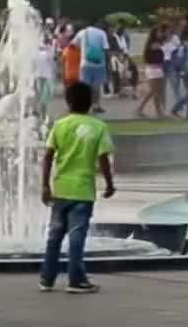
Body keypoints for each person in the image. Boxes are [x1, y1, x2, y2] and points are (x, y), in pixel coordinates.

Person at [39, 81, 115, 295]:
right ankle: (76, 280)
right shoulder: (98, 127)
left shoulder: (59, 125)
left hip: (61, 189)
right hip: (83, 190)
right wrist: (109, 183)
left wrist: (45, 185)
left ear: (68, 102)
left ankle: (46, 278)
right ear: (91, 103)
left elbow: (48, 156)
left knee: (54, 236)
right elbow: (103, 159)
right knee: (76, 237)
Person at [135, 26, 166, 119]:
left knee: (156, 91)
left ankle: (156, 111)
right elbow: (154, 51)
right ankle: (144, 109)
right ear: (154, 33)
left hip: (158, 68)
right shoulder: (152, 44)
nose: (160, 34)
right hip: (152, 69)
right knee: (154, 91)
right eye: (159, 32)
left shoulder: (158, 43)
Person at [77, 19, 108, 110]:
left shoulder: (82, 32)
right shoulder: (102, 33)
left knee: (85, 85)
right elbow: (105, 48)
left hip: (85, 63)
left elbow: (75, 44)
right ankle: (96, 104)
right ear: (97, 23)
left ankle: (85, 104)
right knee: (96, 85)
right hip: (99, 63)